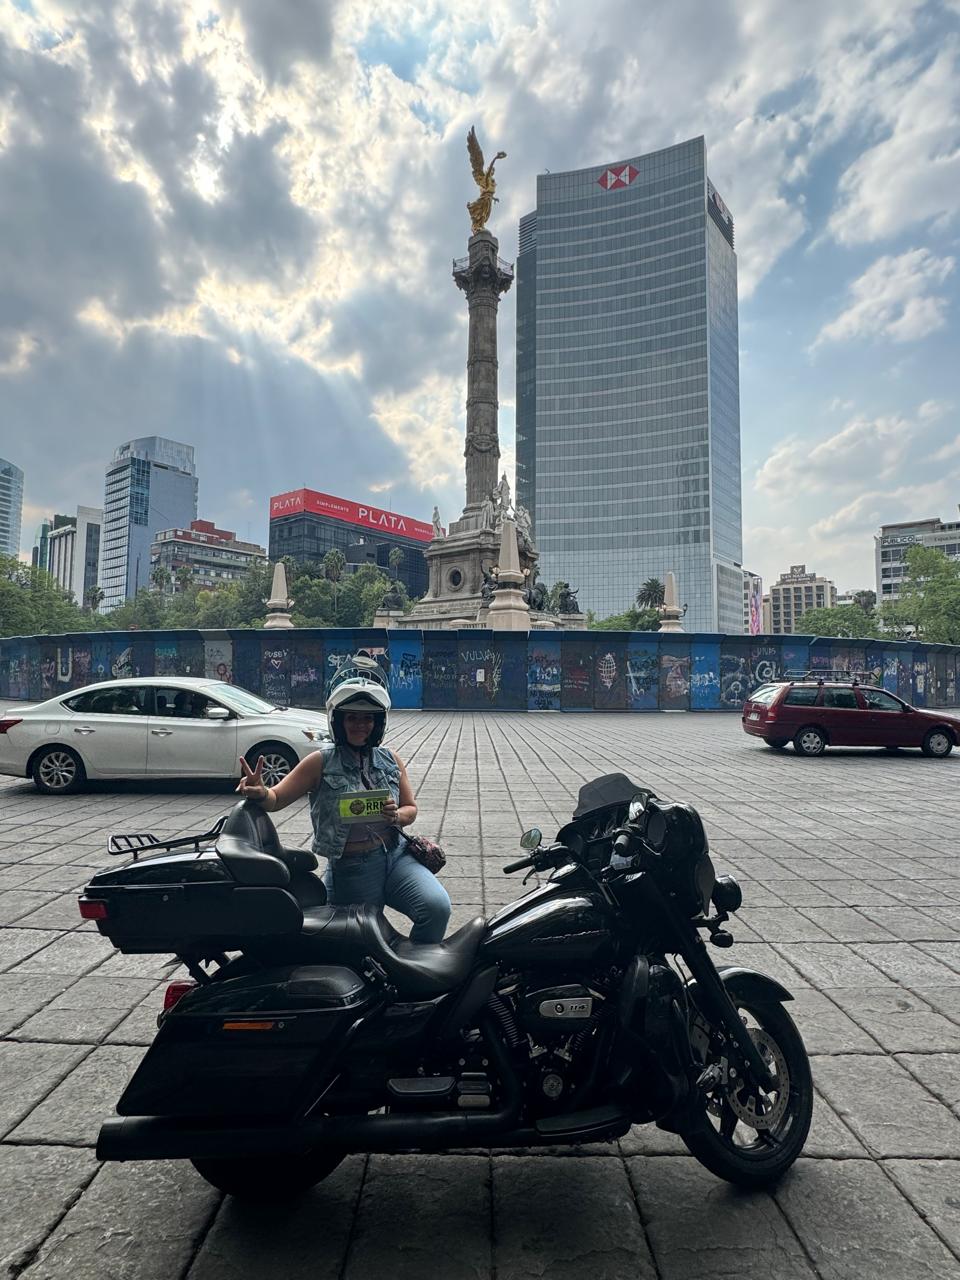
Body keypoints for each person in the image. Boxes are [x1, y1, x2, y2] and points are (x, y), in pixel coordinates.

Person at [235, 657, 451, 944]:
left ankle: (419, 975)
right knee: (362, 947)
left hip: (396, 857)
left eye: (367, 718)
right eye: (352, 718)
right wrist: (259, 790)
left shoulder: (390, 759)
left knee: (437, 908)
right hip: (352, 869)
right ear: (338, 721)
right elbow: (276, 799)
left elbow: (410, 808)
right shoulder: (320, 763)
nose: (360, 725)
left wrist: (396, 816)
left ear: (378, 723)